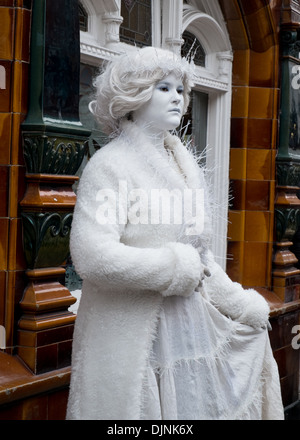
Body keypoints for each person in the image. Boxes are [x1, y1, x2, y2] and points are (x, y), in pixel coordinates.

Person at [66, 47, 284, 420]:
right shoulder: (110, 166)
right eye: (163, 87)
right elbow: (92, 255)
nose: (178, 98)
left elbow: (200, 261)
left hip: (187, 331)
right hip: (133, 335)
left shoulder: (185, 167)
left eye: (180, 89)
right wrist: (173, 267)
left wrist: (240, 305)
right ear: (133, 94)